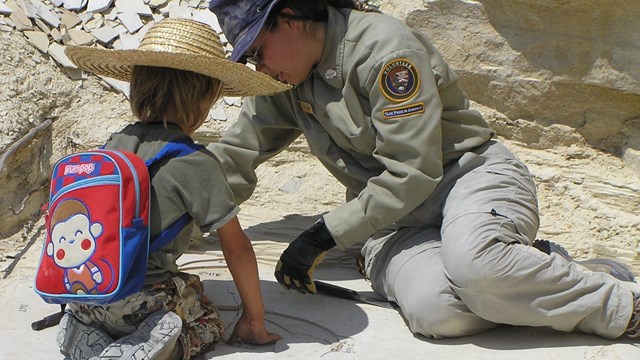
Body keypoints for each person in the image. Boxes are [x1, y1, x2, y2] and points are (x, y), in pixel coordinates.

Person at [206, 0, 640, 341]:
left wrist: (324, 234)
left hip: (467, 180)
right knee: (436, 314)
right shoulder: (285, 77)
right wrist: (167, 222)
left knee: (475, 270)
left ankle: (622, 307)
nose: (256, 67)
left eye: (257, 49)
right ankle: (537, 269)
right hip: (396, 225)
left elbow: (413, 171)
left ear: (291, 18)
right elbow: (236, 157)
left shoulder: (385, 52)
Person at [57, 18, 290, 360]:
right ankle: (149, 344)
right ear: (206, 98)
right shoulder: (195, 162)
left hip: (86, 290)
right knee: (205, 313)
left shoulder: (112, 145)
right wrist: (254, 321)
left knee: (120, 305)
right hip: (140, 300)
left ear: (136, 87)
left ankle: (85, 329)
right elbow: (236, 247)